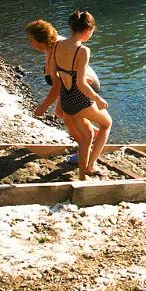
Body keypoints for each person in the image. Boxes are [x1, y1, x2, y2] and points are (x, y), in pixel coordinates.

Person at [42, 10, 112, 180]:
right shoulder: (83, 50)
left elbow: (53, 76)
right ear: (88, 30)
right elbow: (81, 84)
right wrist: (97, 98)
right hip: (80, 100)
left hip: (66, 100)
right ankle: (90, 166)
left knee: (86, 138)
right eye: (92, 32)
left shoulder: (57, 45)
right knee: (106, 124)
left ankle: (83, 175)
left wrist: (69, 77)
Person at [26, 19, 100, 147]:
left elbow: (57, 85)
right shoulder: (51, 46)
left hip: (83, 85)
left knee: (69, 118)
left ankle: (85, 146)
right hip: (72, 84)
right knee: (61, 113)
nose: (30, 43)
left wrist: (43, 107)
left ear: (41, 40)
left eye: (32, 40)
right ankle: (96, 137)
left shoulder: (56, 48)